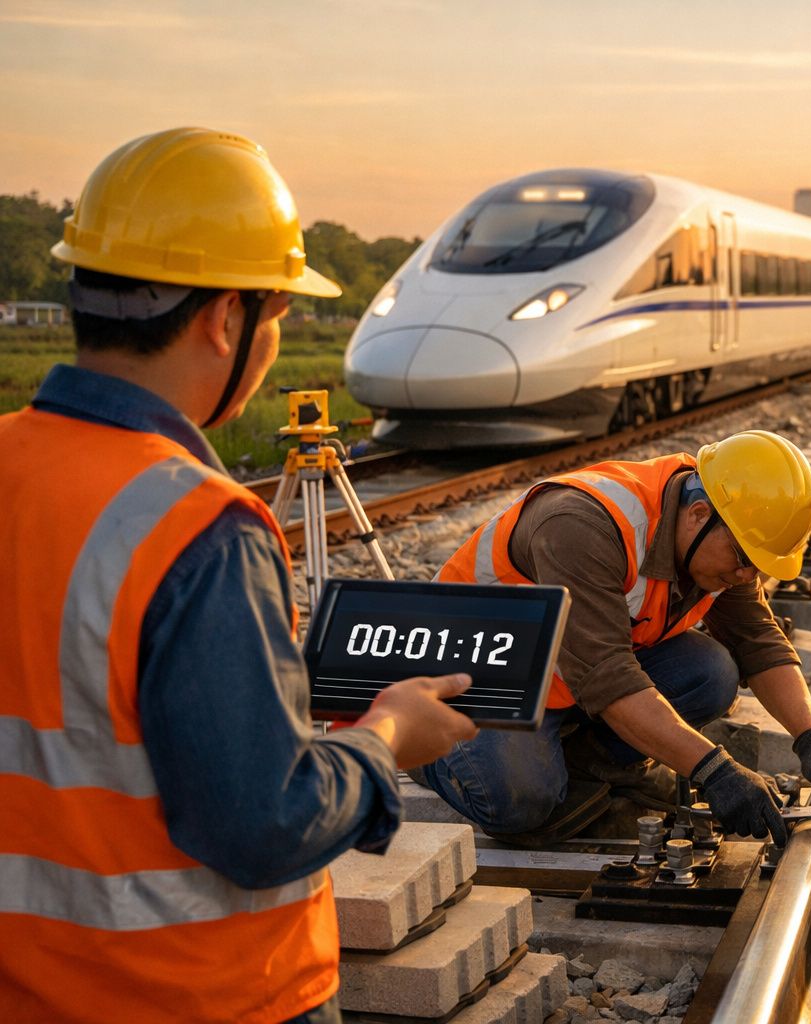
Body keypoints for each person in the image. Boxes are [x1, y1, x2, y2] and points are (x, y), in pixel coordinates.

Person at [0, 128, 478, 1024]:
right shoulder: (193, 526)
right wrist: (384, 739)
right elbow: (265, 824)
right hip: (194, 994)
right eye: (281, 311)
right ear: (227, 317)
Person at [415, 429, 811, 846]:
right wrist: (715, 771)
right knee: (521, 804)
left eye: (756, 566)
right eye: (744, 560)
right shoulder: (581, 525)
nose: (745, 576)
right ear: (699, 515)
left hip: (560, 675)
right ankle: (430, 754)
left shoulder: (715, 530)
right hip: (473, 679)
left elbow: (758, 641)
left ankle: (586, 766)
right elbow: (610, 678)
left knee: (710, 671)